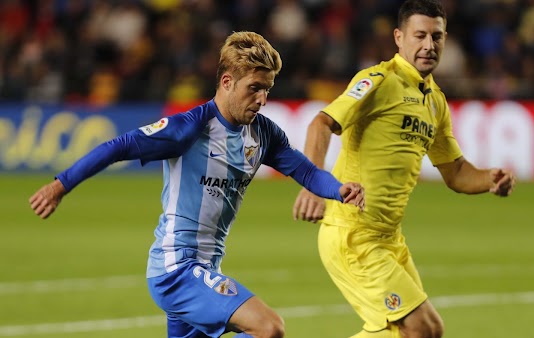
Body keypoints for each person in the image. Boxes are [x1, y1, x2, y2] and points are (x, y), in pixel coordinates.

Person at [29, 31, 365, 338]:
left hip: (205, 268)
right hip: (177, 269)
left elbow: (306, 173)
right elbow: (117, 147)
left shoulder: (264, 133)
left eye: (267, 90)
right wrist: (60, 186)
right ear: (227, 81)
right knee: (269, 328)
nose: (262, 99)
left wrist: (339, 189)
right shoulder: (188, 128)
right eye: (254, 88)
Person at [292, 1, 516, 338]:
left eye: (437, 37)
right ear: (399, 37)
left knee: (427, 331)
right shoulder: (378, 81)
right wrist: (312, 184)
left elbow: (455, 172)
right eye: (420, 35)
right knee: (419, 328)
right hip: (353, 233)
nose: (429, 45)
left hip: (388, 238)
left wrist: (489, 179)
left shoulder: (435, 101)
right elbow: (321, 123)